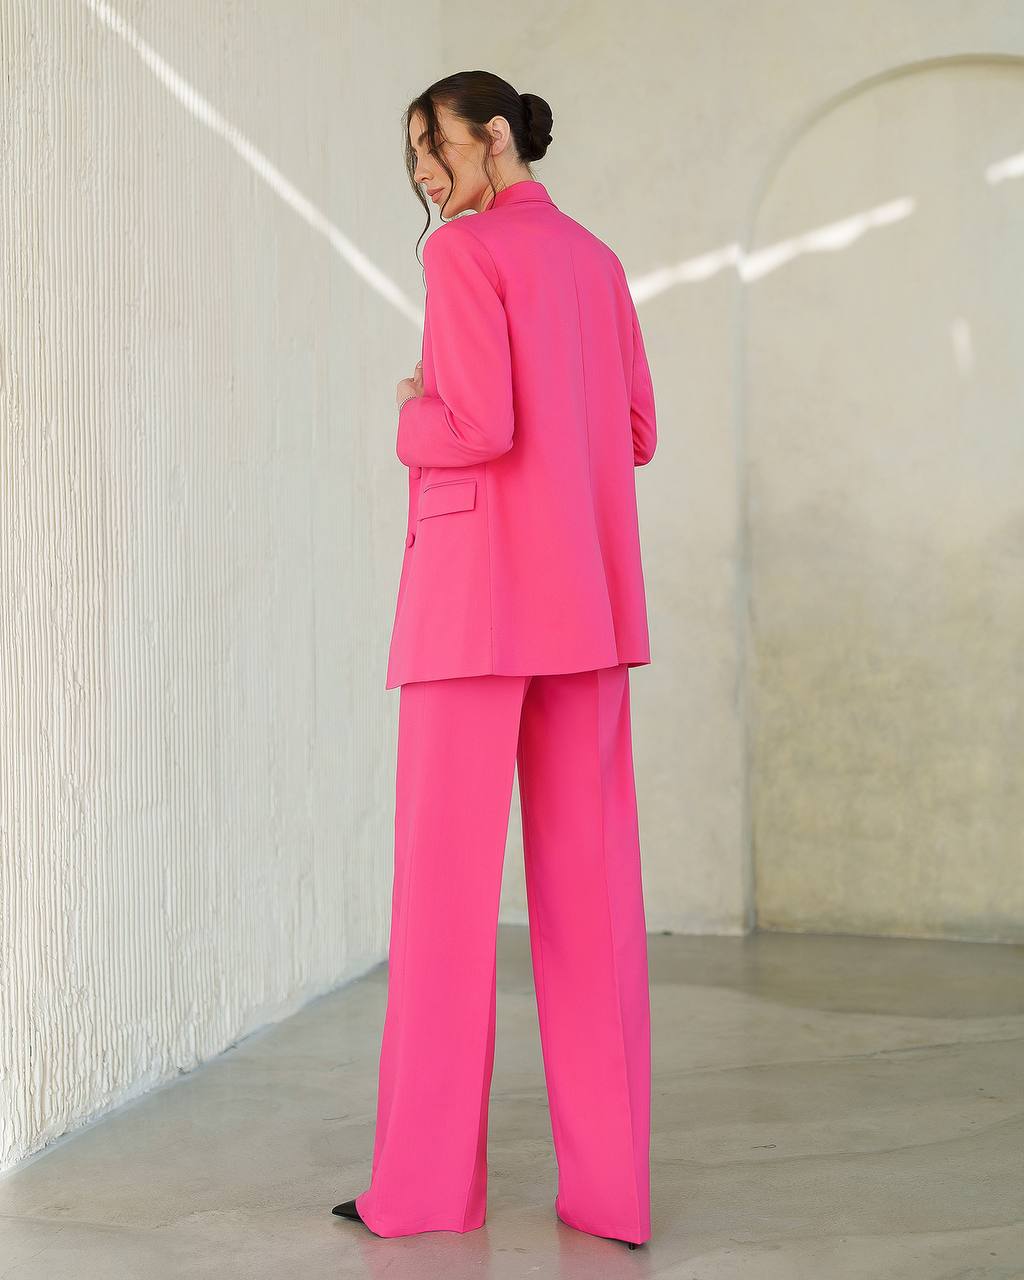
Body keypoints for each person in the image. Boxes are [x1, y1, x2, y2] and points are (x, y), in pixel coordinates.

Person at [332, 69, 658, 1251]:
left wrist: (410, 411)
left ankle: (421, 1195)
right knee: (596, 904)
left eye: (438, 144)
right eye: (414, 151)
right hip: (586, 607)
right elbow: (636, 432)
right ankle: (612, 1197)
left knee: (443, 905)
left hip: (473, 611)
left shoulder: (462, 254)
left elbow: (477, 426)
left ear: (497, 137)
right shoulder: (598, 262)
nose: (425, 170)